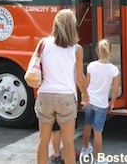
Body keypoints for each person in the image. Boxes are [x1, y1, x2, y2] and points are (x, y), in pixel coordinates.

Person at [34, 9, 89, 164]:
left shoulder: (43, 43)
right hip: (66, 97)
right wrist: (85, 94)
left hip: (45, 95)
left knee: (43, 141)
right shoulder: (77, 49)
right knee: (68, 143)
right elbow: (79, 78)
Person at [81, 39, 119, 163]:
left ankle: (85, 148)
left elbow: (86, 84)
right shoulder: (113, 70)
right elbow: (114, 90)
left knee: (88, 125)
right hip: (102, 104)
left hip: (90, 101)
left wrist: (83, 99)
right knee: (98, 131)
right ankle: (98, 158)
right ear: (110, 52)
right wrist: (112, 103)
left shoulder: (91, 66)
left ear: (97, 51)